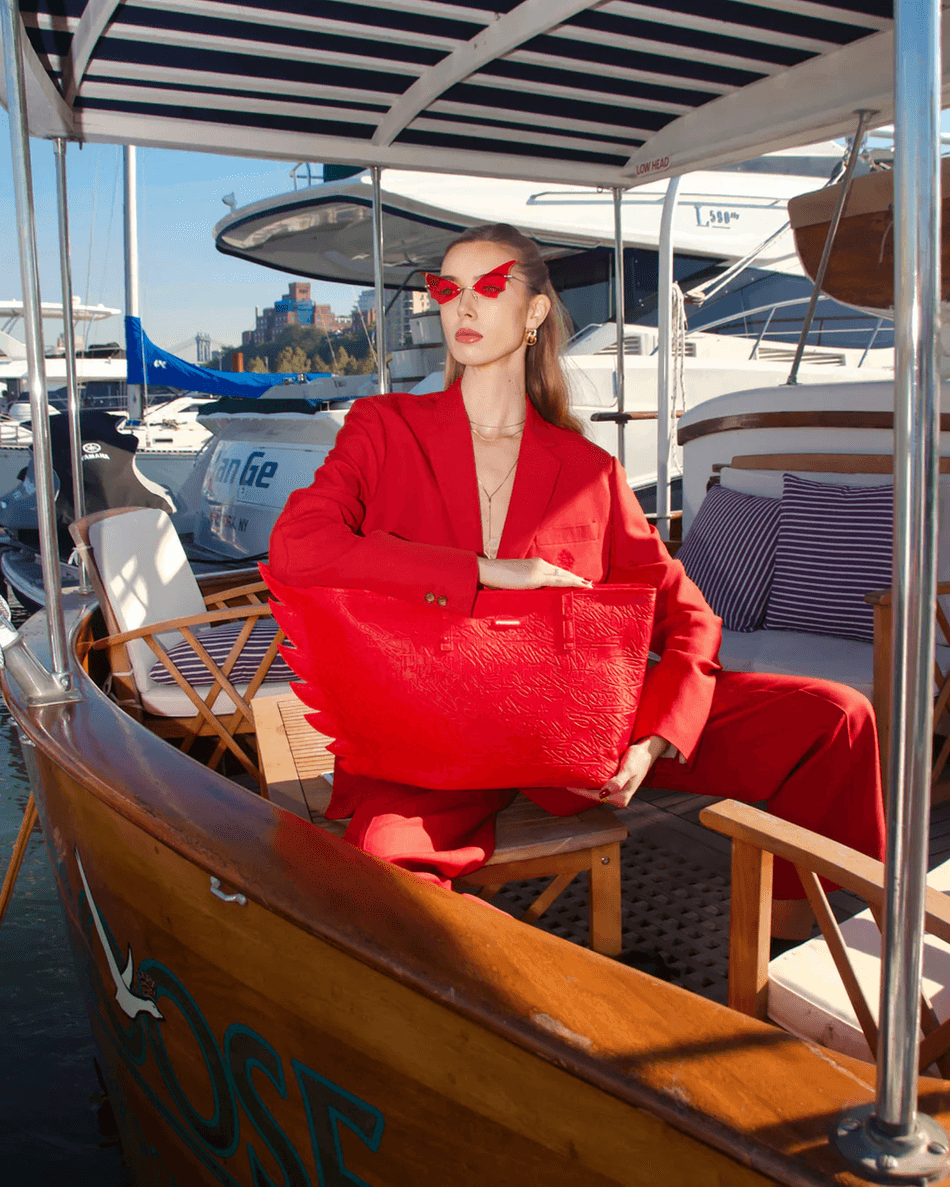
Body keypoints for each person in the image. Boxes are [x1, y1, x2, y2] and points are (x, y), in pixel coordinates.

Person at [267, 222, 885, 945]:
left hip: (568, 729)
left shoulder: (589, 471)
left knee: (836, 717)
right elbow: (299, 546)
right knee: (377, 882)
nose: (463, 305)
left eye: (488, 286)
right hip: (434, 732)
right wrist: (487, 571)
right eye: (447, 288)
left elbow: (689, 615)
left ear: (534, 311)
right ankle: (522, 999)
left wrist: (654, 738)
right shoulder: (384, 428)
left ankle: (797, 946)